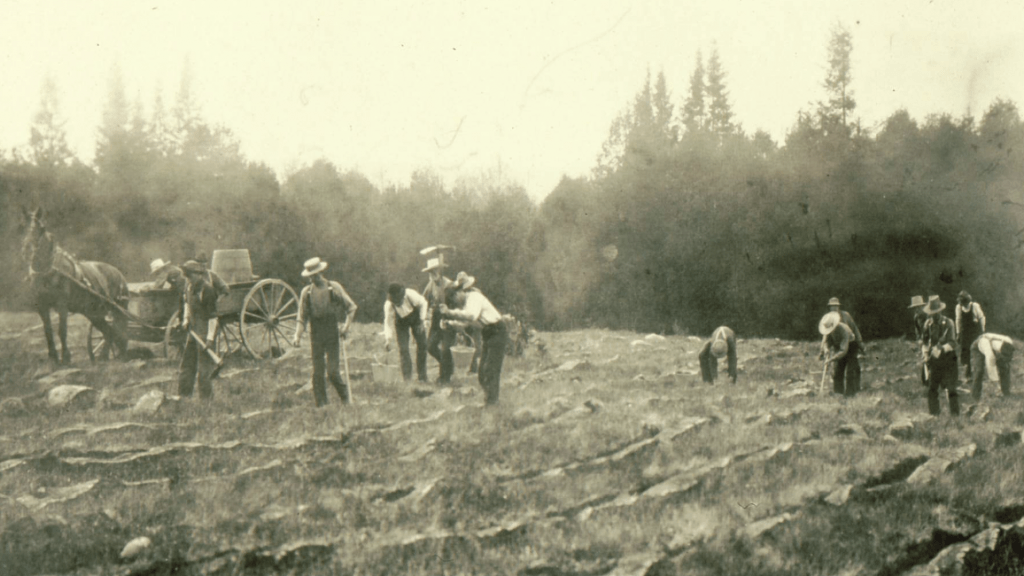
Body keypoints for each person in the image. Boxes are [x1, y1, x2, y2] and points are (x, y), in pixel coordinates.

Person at [291, 257, 357, 407]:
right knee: (317, 373)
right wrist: (297, 336)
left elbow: (352, 308)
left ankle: (346, 398)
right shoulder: (306, 292)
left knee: (333, 372)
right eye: (310, 276)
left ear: (321, 272)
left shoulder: (333, 287)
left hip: (331, 331)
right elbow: (302, 317)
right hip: (316, 333)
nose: (313, 278)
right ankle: (322, 405)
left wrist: (346, 327)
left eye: (316, 275)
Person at [439, 274, 507, 405]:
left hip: (497, 331)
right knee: (482, 373)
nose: (456, 302)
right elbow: (465, 324)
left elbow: (471, 316)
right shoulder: (467, 303)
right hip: (488, 333)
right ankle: (489, 399)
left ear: (460, 292)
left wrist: (449, 312)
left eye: (454, 298)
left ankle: (492, 402)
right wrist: (450, 323)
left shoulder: (474, 297)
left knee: (491, 369)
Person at [177, 260, 220, 400]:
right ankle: (183, 397)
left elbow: (213, 317)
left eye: (190, 276)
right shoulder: (189, 287)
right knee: (186, 367)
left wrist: (209, 339)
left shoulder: (207, 290)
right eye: (186, 276)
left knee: (203, 371)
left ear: (198, 275)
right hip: (193, 333)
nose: (188, 279)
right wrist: (186, 320)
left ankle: (206, 401)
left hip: (205, 334)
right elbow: (187, 305)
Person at [383, 282, 429, 383]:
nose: (397, 303)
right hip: (401, 324)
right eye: (395, 302)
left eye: (399, 301)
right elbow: (388, 322)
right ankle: (407, 379)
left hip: (417, 320)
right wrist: (388, 339)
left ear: (402, 296)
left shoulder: (411, 294)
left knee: (422, 345)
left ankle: (422, 377)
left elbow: (424, 303)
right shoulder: (389, 305)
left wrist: (422, 321)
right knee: (403, 349)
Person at [921, 298, 960, 416]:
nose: (934, 316)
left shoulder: (949, 323)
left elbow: (953, 343)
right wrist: (926, 355)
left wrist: (941, 348)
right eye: (931, 314)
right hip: (935, 361)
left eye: (936, 313)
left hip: (949, 360)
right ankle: (934, 415)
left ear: (940, 312)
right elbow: (924, 342)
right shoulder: (927, 324)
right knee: (932, 389)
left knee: (951, 389)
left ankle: (955, 415)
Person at [422, 258, 456, 384]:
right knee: (430, 346)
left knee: (446, 348)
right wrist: (425, 317)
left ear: (440, 271)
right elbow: (424, 301)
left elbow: (457, 304)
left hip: (449, 318)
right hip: (436, 319)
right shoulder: (430, 285)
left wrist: (448, 312)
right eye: (430, 272)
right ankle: (447, 366)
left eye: (434, 271)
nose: (431, 275)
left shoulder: (449, 285)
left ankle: (444, 377)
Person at [819, 311, 860, 397]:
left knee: (850, 371)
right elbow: (826, 342)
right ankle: (838, 393)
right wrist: (826, 350)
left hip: (851, 346)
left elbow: (843, 350)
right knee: (837, 371)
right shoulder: (829, 331)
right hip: (839, 347)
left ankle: (850, 394)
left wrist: (832, 359)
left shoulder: (843, 330)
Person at [969, 333, 1016, 401]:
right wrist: (997, 387)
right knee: (979, 371)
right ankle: (975, 396)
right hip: (977, 347)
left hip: (992, 346)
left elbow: (1008, 355)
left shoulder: (1009, 341)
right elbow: (991, 371)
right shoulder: (990, 354)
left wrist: (1006, 359)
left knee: (1005, 367)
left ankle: (1006, 392)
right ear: (999, 352)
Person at [955, 291, 986, 379]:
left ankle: (978, 371)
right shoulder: (958, 307)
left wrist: (982, 331)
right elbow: (958, 320)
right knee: (965, 352)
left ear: (968, 301)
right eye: (962, 303)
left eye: (965, 303)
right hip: (965, 332)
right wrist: (958, 333)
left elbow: (981, 317)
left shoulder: (975, 306)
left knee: (976, 350)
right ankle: (968, 373)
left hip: (974, 331)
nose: (964, 305)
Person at [909, 295, 928, 386]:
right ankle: (926, 380)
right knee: (925, 359)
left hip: (931, 339)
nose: (917, 310)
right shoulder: (916, 317)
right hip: (923, 341)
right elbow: (917, 330)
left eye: (918, 307)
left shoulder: (928, 315)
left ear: (922, 306)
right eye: (915, 308)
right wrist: (919, 339)